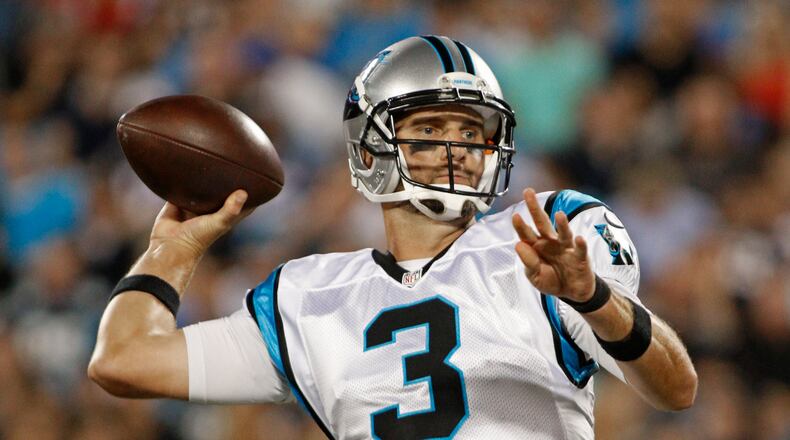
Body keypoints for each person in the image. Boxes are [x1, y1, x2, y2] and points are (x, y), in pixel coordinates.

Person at [89, 36, 697, 439]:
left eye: (472, 130)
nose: (457, 146)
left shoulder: (545, 238)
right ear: (371, 145)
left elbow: (675, 388)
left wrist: (594, 298)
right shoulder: (305, 297)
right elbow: (123, 362)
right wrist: (173, 250)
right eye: (431, 126)